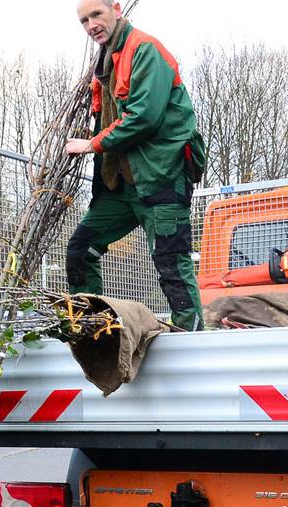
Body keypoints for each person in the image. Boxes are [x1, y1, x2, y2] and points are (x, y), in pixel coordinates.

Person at [65, 0, 207, 331]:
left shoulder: (145, 49)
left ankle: (191, 337)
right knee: (80, 249)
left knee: (171, 263)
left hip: (161, 176)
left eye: (96, 14)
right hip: (120, 184)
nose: (91, 25)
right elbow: (110, 116)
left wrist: (92, 144)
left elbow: (145, 116)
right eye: (84, 21)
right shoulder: (105, 62)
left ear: (115, 8)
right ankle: (91, 330)